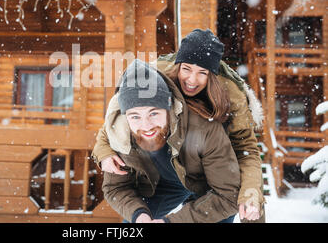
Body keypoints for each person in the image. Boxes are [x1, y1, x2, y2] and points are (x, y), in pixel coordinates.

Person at [92, 29, 265, 222]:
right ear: (178, 66)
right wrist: (104, 153)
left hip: (215, 176)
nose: (192, 80)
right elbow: (115, 123)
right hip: (171, 176)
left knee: (242, 208)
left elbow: (246, 150)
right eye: (187, 69)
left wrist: (250, 191)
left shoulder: (231, 99)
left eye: (202, 73)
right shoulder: (155, 80)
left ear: (212, 75)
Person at [100, 58, 240, 222]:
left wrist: (172, 222)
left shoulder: (203, 128)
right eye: (135, 116)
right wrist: (139, 214)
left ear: (168, 108)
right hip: (165, 186)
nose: (146, 126)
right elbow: (116, 187)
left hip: (209, 185)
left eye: (153, 113)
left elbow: (229, 195)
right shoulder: (121, 134)